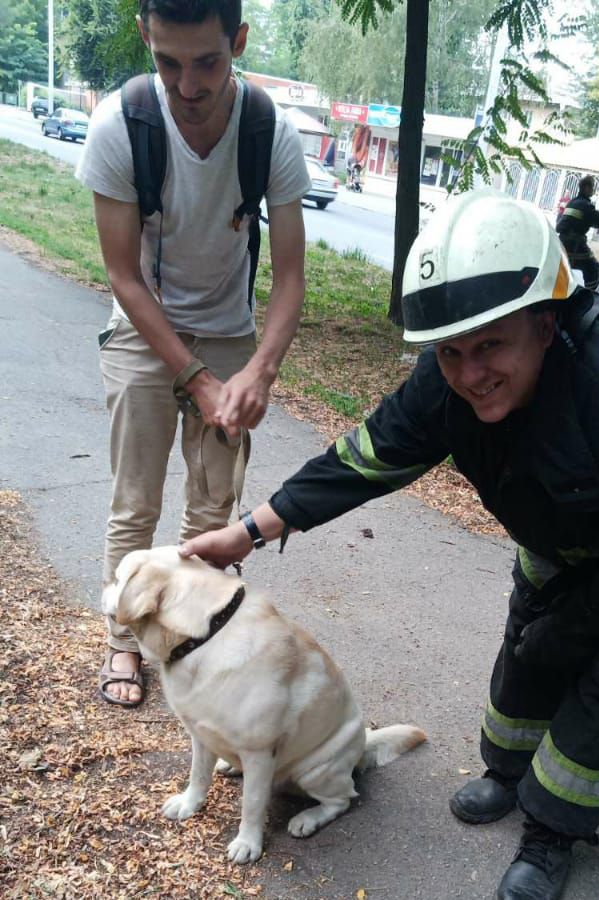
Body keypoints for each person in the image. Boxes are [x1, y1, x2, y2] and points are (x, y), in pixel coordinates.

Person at [180, 190, 599, 900]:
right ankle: (506, 774)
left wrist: (577, 622)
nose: (469, 376)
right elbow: (362, 461)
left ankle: (553, 833)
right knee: (526, 655)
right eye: (452, 352)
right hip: (561, 540)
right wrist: (247, 533)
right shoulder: (447, 382)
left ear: (546, 322)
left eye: (491, 345)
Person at [75, 0, 310, 708]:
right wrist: (196, 379)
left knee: (213, 510)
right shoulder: (120, 125)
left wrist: (258, 372)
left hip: (229, 332)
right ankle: (124, 643)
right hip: (142, 330)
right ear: (147, 37)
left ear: (237, 41)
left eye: (207, 62)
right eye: (167, 62)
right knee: (135, 502)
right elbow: (123, 275)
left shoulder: (269, 131)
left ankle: (192, 636)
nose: (187, 85)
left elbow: (291, 276)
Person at [555, 174, 599, 289]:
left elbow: (559, 222)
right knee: (593, 268)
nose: (593, 190)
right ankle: (591, 294)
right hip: (575, 245)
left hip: (562, 243)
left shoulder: (572, 202)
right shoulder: (586, 205)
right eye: (592, 188)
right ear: (586, 188)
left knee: (566, 269)